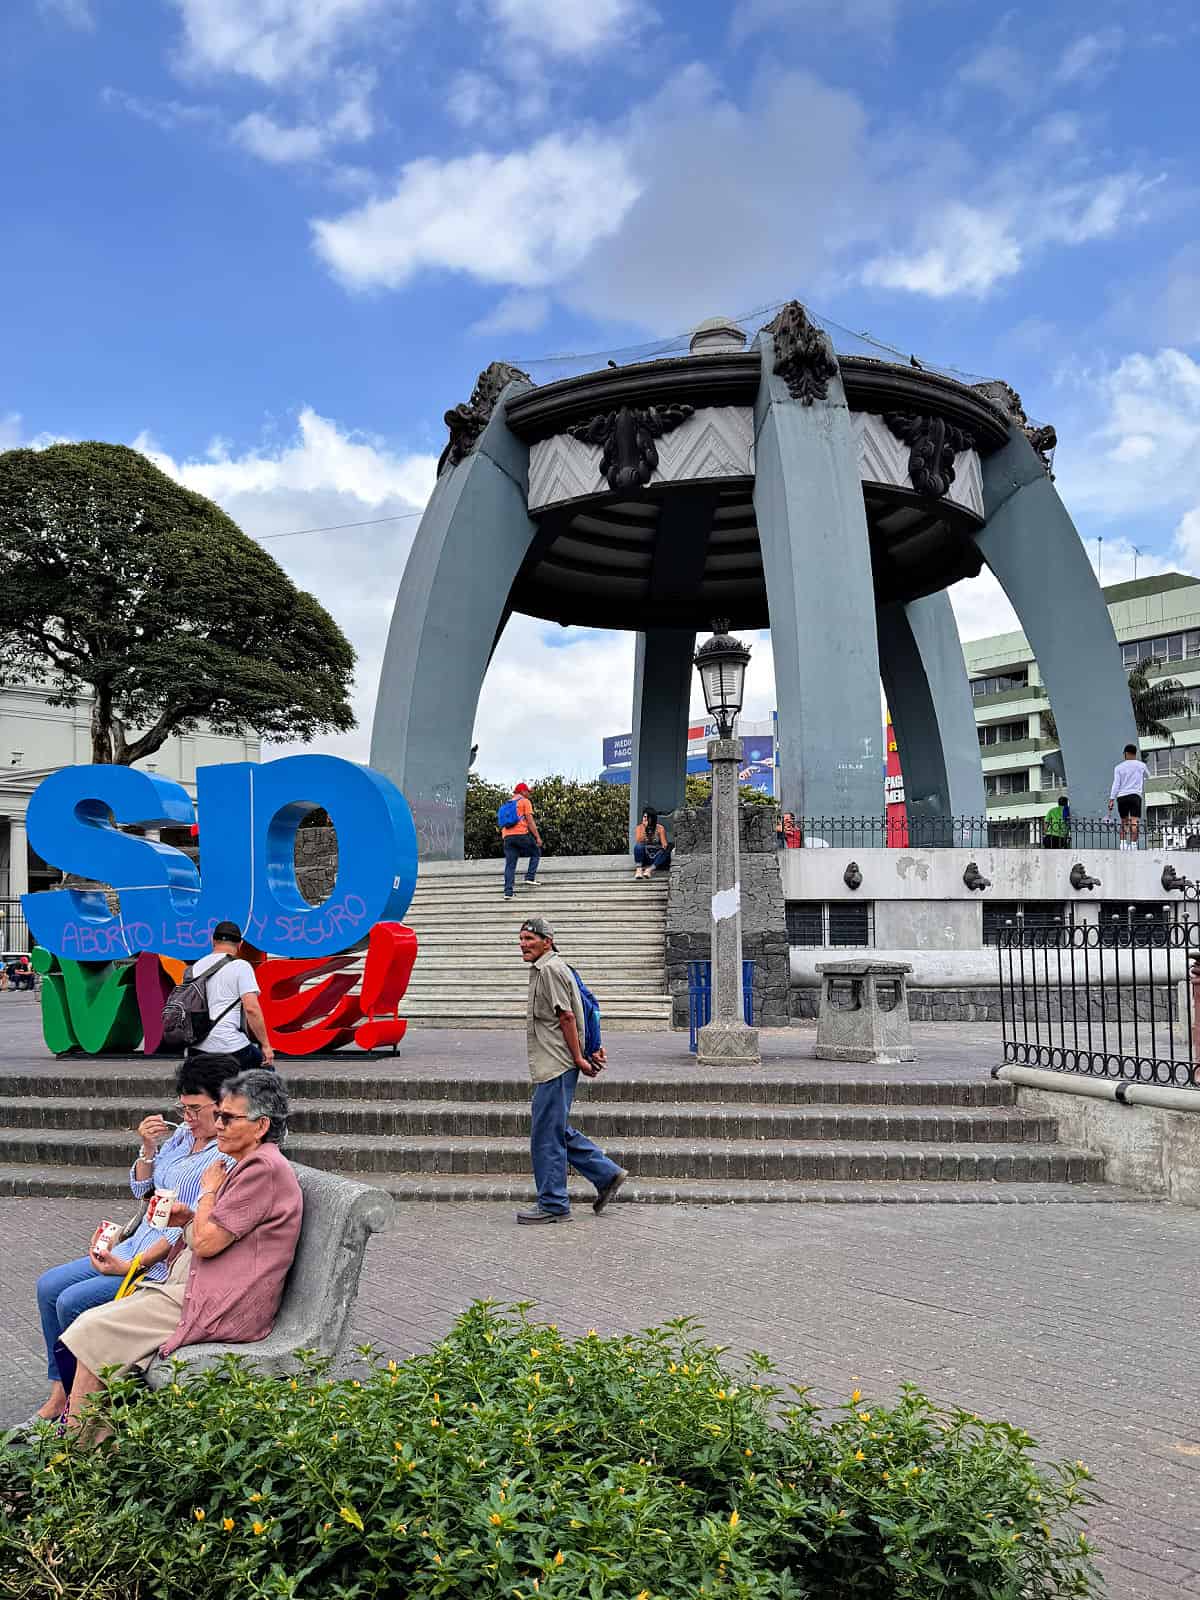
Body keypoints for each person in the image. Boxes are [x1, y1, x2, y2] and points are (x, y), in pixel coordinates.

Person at [58, 1068, 302, 1436]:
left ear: (261, 1125)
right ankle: (92, 1446)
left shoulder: (261, 1169)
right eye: (218, 1115)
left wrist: (207, 1191)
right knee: (93, 1328)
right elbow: (211, 1233)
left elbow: (205, 1243)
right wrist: (187, 1216)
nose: (218, 1125)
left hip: (219, 1301)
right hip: (197, 1286)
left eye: (228, 1118)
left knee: (91, 1329)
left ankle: (76, 1454)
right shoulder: (251, 1162)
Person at [31, 1054, 233, 1424]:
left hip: (159, 1264)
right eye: (182, 1107)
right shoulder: (182, 1137)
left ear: (223, 1105)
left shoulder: (225, 1156)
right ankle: (60, 1389)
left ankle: (80, 1406)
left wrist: (131, 1266)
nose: (187, 1117)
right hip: (134, 1244)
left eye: (195, 1109)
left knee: (72, 1302)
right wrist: (148, 1149)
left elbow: (185, 1231)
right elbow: (143, 1190)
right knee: (48, 1285)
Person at [516, 915, 627, 1225]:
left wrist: (580, 1058)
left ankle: (553, 1203)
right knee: (553, 1127)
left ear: (547, 942)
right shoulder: (553, 966)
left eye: (529, 939)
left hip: (556, 1063)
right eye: (521, 939)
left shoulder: (550, 970)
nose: (523, 944)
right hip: (556, 1062)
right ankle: (606, 1174)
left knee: (545, 1135)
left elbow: (566, 1016)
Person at [189, 920, 275, 1069]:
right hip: (230, 1045)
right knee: (266, 1071)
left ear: (212, 940)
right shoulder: (241, 966)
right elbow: (251, 1009)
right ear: (240, 944)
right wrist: (266, 1045)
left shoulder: (196, 967)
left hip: (198, 1045)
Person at [501, 782, 543, 900]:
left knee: (510, 865)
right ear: (523, 792)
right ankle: (530, 877)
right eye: (527, 792)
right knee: (536, 852)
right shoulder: (525, 802)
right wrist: (537, 837)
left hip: (507, 837)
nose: (529, 794)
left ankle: (508, 892)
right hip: (521, 834)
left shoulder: (507, 803)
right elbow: (530, 821)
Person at [1108, 743, 1150, 850]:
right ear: (1135, 753)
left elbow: (1116, 784)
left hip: (1122, 797)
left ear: (1126, 753)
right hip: (1135, 796)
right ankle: (1133, 845)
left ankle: (1123, 844)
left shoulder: (1118, 767)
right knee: (1134, 822)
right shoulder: (1141, 765)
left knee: (1124, 822)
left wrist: (1112, 799)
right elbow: (1148, 775)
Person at [633, 808, 671, 878]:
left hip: (656, 856)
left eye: (648, 817)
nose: (645, 819)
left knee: (667, 850)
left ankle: (649, 870)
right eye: (644, 817)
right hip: (645, 856)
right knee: (638, 847)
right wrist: (645, 828)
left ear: (652, 818)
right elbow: (639, 841)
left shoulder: (660, 828)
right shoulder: (639, 828)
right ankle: (638, 870)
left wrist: (657, 834)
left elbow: (664, 844)